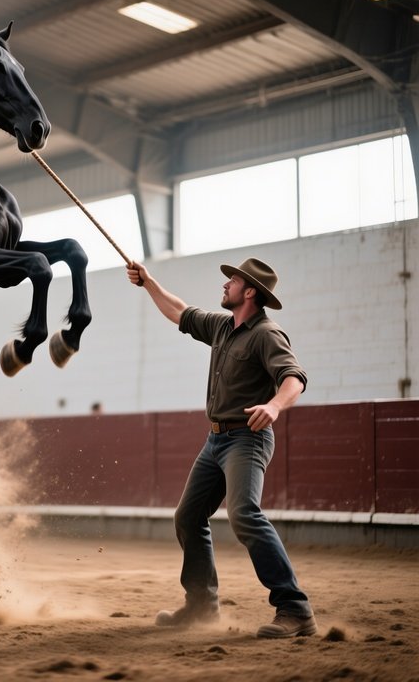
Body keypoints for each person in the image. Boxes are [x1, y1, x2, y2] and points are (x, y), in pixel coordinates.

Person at [126, 257, 316, 639]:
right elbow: (179, 311)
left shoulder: (267, 334)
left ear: (249, 292)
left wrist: (274, 406)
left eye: (232, 281)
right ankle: (200, 606)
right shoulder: (222, 327)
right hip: (216, 440)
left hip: (248, 438)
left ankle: (295, 609)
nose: (224, 285)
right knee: (188, 516)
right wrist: (148, 282)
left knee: (244, 513)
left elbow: (294, 377)